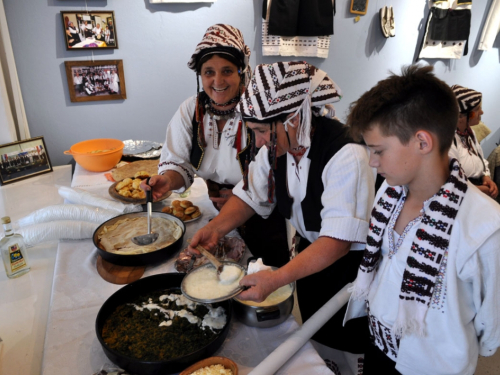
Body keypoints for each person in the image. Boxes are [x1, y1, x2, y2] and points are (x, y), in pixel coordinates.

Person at [188, 60, 375, 373]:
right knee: (318, 344)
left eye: (262, 131)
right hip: (312, 262)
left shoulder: (346, 154)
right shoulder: (280, 147)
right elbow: (250, 195)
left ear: (292, 117)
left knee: (348, 350)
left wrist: (276, 278)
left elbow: (337, 242)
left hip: (349, 274)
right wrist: (216, 229)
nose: (259, 141)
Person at [346, 65, 500, 375]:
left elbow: (491, 321)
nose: (373, 163)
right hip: (377, 346)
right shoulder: (388, 194)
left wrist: (452, 346)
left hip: (432, 365)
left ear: (422, 142)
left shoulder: (483, 226)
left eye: (379, 151)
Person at [142, 24, 290, 268]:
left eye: (227, 71)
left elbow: (275, 172)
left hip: (263, 215)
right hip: (221, 211)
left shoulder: (260, 112)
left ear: (241, 71)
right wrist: (167, 181)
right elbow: (179, 163)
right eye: (209, 72)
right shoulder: (192, 111)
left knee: (262, 276)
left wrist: (240, 198)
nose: (217, 81)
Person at [448, 85, 498, 199]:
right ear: (462, 115)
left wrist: (486, 178)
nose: (482, 112)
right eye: (477, 109)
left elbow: (480, 159)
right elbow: (450, 180)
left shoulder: (469, 134)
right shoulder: (449, 139)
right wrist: (480, 190)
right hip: (460, 198)